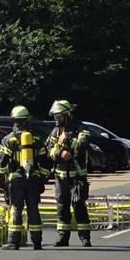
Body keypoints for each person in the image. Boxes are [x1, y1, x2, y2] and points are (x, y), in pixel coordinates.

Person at [0, 105, 51, 250]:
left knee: (16, 210)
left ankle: (13, 243)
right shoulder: (37, 139)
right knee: (33, 209)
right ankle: (37, 242)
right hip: (33, 180)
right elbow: (45, 162)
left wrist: (0, 179)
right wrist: (42, 178)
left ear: (14, 121)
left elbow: (2, 161)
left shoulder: (9, 140)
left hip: (16, 180)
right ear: (27, 120)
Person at [46, 100, 92, 247]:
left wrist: (67, 141)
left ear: (68, 114)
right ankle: (63, 237)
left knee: (79, 205)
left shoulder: (80, 128)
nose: (57, 119)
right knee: (62, 206)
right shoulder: (56, 131)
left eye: (60, 116)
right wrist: (59, 152)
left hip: (77, 176)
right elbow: (48, 149)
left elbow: (83, 145)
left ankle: (85, 237)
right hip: (60, 176)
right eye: (56, 116)